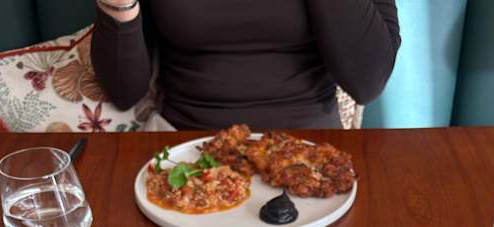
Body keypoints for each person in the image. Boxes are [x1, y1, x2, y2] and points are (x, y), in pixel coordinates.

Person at [91, 0, 400, 130]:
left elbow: (368, 83)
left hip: (309, 153)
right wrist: (119, 5)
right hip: (185, 153)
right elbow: (124, 93)